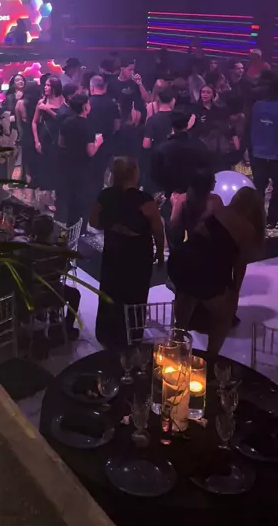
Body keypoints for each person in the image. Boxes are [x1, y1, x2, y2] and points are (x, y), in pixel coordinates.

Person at [169, 187, 265, 360]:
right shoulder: (247, 229)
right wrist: (234, 294)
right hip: (205, 271)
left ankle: (176, 344)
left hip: (181, 261)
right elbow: (239, 267)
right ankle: (210, 359)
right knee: (224, 315)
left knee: (188, 294)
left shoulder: (217, 210)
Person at [90, 157, 165, 348]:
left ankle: (107, 334)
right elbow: (158, 230)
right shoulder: (145, 200)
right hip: (138, 256)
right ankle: (132, 336)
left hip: (113, 253)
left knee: (110, 290)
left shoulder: (105, 196)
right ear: (134, 173)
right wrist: (159, 254)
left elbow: (93, 221)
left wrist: (113, 226)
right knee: (135, 294)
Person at [16, 214, 81, 340]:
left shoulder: (26, 250)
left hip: (32, 298)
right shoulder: (57, 252)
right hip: (54, 294)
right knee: (75, 294)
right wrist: (62, 239)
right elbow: (65, 268)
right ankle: (67, 329)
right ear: (51, 232)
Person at [58, 93, 103, 228]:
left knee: (70, 197)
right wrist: (98, 142)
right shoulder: (88, 126)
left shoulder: (66, 122)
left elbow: (61, 143)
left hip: (67, 165)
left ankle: (68, 226)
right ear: (85, 107)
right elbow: (90, 152)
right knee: (82, 199)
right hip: (83, 168)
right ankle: (80, 229)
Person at [151, 110, 212, 198]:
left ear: (172, 126)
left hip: (170, 196)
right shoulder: (200, 145)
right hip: (195, 197)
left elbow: (155, 176)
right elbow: (207, 171)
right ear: (187, 125)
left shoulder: (162, 148)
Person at [88, 75, 121, 210]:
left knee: (93, 176)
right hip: (108, 144)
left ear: (92, 87)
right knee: (108, 175)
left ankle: (93, 204)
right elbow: (117, 125)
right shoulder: (112, 103)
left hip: (91, 144)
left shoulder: (88, 103)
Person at [251, 75, 278, 230]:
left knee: (258, 187)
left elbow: (250, 127)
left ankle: (256, 218)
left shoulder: (257, 106)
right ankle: (272, 219)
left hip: (258, 153)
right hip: (275, 155)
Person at [32, 77, 64, 201]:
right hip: (45, 137)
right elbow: (34, 122)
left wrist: (47, 109)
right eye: (45, 85)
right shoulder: (41, 102)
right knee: (46, 167)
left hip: (60, 137)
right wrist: (36, 141)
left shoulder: (63, 100)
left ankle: (58, 196)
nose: (45, 87)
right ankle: (47, 198)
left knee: (59, 167)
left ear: (55, 87)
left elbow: (62, 119)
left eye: (48, 85)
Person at [15, 81, 42, 185]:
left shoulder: (20, 103)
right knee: (38, 160)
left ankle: (28, 182)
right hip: (39, 133)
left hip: (26, 134)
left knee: (27, 160)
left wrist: (21, 135)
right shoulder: (40, 102)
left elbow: (18, 123)